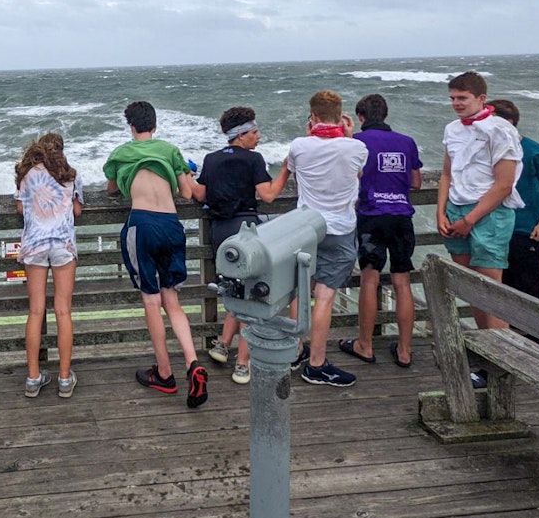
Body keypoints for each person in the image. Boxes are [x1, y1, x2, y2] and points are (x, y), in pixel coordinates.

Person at [103, 100, 208, 408]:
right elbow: (187, 193)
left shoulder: (121, 153)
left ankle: (164, 372)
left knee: (151, 301)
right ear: (155, 126)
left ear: (131, 127)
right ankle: (192, 363)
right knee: (172, 300)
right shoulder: (169, 150)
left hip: (143, 225)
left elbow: (111, 189)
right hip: (172, 225)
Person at [269, 91, 368, 388]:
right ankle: (316, 365)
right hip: (340, 229)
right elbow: (358, 175)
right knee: (324, 296)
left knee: (300, 289)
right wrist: (349, 136)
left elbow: (297, 174)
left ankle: (297, 351)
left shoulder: (299, 145)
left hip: (306, 227)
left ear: (312, 117)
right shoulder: (357, 147)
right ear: (341, 116)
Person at [190, 106, 277, 385]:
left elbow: (200, 193)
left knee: (232, 290)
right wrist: (286, 170)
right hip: (246, 231)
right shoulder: (253, 159)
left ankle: (223, 345)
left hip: (220, 231)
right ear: (240, 135)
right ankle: (242, 363)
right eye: (254, 132)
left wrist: (187, 177)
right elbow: (267, 195)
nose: (258, 137)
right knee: (251, 296)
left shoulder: (211, 159)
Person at [338, 94, 423, 369]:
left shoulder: (357, 143)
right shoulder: (406, 141)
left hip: (371, 216)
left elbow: (347, 176)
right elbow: (416, 182)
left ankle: (365, 344)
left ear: (360, 117)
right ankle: (406, 350)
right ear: (385, 115)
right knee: (402, 281)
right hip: (401, 216)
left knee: (370, 279)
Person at [437, 71, 523, 332]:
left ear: (481, 98)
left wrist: (469, 220)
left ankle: (503, 362)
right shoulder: (452, 129)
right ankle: (487, 353)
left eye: (462, 98)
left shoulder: (501, 131)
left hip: (490, 214)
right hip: (455, 209)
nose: (456, 103)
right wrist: (440, 211)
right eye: (452, 98)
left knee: (491, 292)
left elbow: (504, 185)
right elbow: (446, 174)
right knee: (471, 288)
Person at [14, 133, 84, 399]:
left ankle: (33, 378)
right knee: (63, 311)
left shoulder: (27, 174)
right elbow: (77, 210)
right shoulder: (69, 173)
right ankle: (65, 379)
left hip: (34, 245)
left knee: (35, 311)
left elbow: (21, 209)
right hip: (62, 244)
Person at [490, 99, 539, 303]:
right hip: (495, 230)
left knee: (531, 296)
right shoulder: (488, 150)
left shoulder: (532, 150)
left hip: (526, 233)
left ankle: (535, 336)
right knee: (499, 293)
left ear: (510, 123)